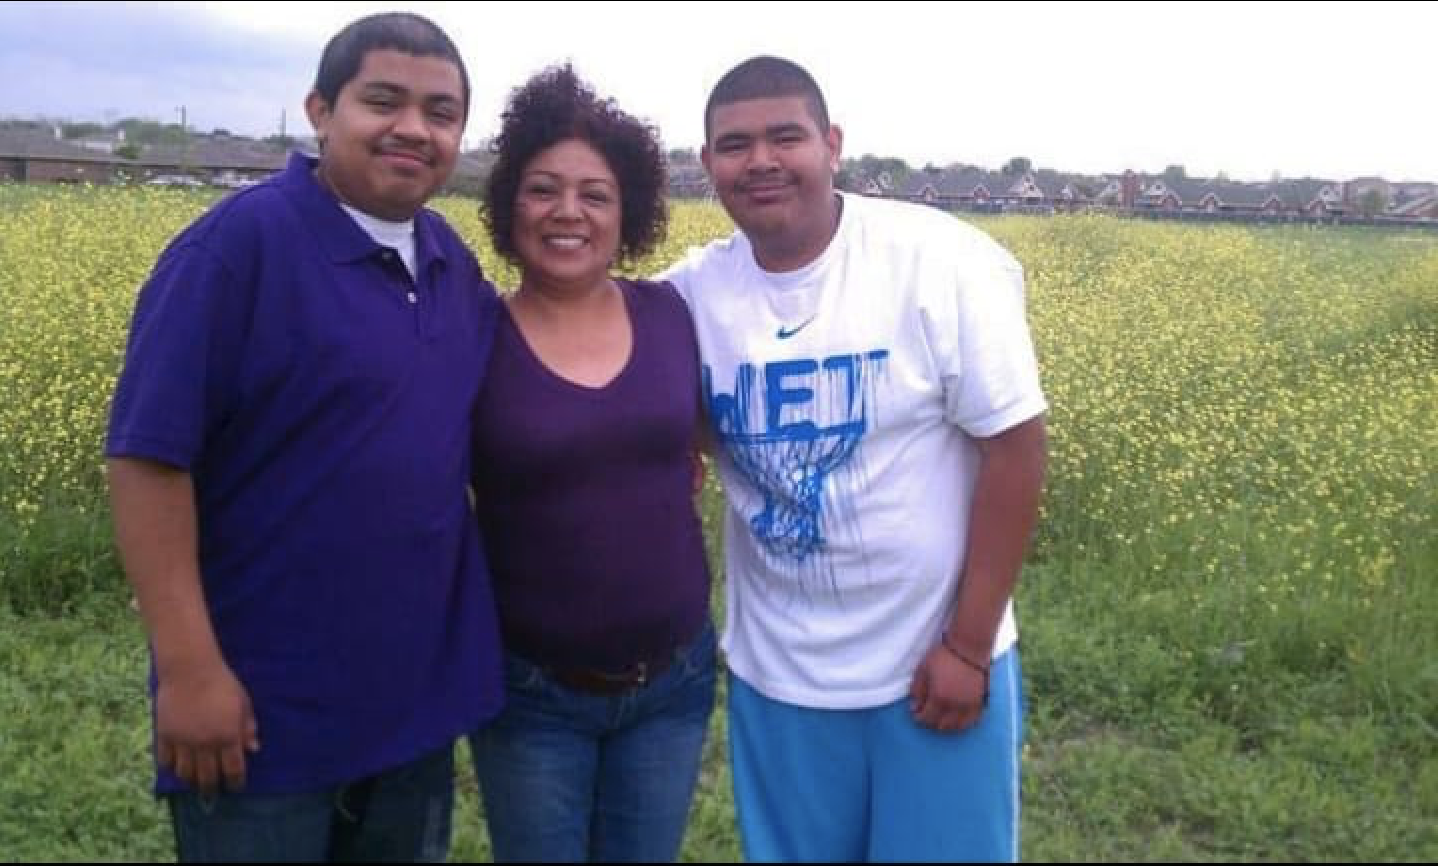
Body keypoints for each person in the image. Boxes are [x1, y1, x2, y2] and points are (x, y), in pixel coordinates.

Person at [105, 13, 503, 862]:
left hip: (414, 716)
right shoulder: (234, 252)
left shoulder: (450, 262)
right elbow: (146, 462)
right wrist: (187, 670)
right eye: (383, 101)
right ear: (321, 110)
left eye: (440, 113)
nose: (413, 129)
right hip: (260, 722)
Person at [661, 56, 1048, 862]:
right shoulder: (688, 298)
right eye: (734, 145)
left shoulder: (939, 263)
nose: (760, 161)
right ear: (706, 167)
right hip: (780, 683)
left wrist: (969, 646)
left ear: (832, 143)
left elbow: (1014, 451)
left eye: (785, 137)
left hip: (931, 670)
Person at [465, 65, 717, 863]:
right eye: (543, 189)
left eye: (595, 194)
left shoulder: (671, 314)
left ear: (628, 209)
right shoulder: (474, 336)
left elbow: (700, 438)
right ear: (510, 205)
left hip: (673, 686)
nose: (567, 212)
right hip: (533, 695)